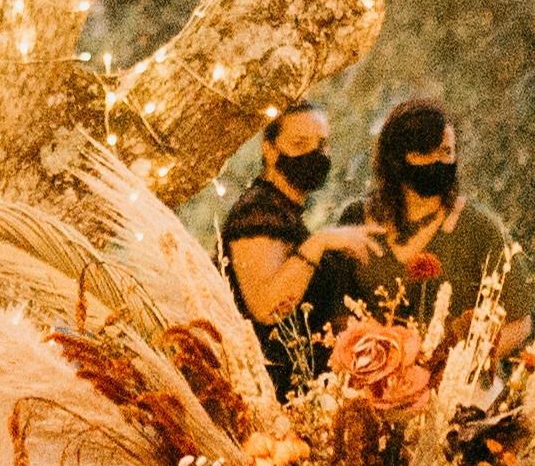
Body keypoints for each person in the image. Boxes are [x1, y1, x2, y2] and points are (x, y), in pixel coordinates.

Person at [216, 100, 381, 382]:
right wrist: (321, 242)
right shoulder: (256, 213)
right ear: (270, 150)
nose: (313, 154)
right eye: (299, 143)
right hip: (271, 385)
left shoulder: (283, 212)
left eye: (322, 144)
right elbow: (268, 308)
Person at [362, 96, 517, 356]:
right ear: (398, 158)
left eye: (447, 152)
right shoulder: (358, 220)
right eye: (426, 152)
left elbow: (519, 321)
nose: (439, 162)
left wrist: (459, 367)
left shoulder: (478, 226)